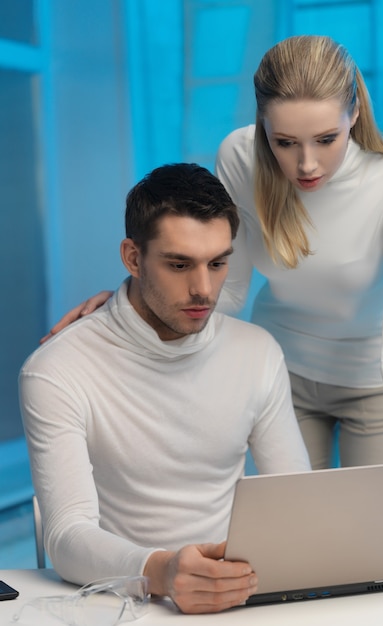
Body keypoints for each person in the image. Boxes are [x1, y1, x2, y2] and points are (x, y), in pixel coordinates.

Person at [39, 36, 383, 564]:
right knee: (298, 550)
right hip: (286, 376)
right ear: (261, 126)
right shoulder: (238, 155)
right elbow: (227, 290)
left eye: (326, 138)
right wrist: (136, 301)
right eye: (284, 142)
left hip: (375, 381)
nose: (305, 165)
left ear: (354, 112)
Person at [19, 163, 311, 615]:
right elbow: (67, 536)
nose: (203, 289)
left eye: (218, 264)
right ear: (133, 258)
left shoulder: (258, 353)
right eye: (179, 265)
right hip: (125, 606)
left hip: (239, 598)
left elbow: (297, 501)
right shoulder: (57, 369)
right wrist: (162, 572)